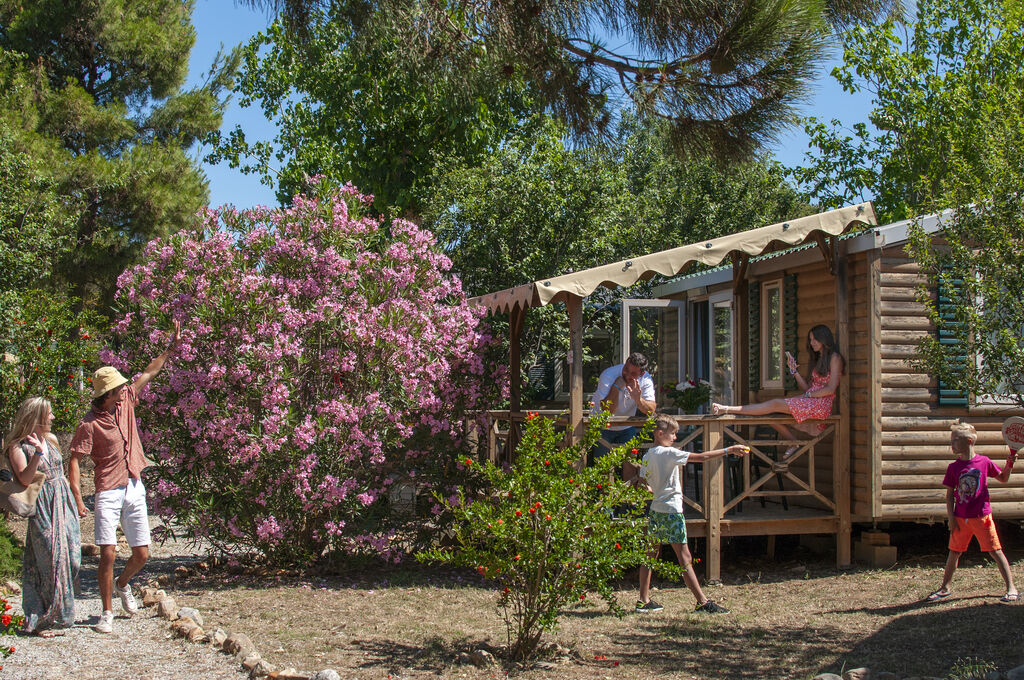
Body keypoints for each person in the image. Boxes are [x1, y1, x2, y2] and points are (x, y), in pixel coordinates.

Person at [69, 320, 181, 634]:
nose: (124, 388)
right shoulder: (89, 424)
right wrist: (78, 497)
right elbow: (74, 460)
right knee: (107, 552)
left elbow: (149, 372)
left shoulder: (127, 401)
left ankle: (123, 584)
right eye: (118, 387)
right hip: (107, 489)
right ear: (107, 394)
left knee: (141, 553)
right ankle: (106, 614)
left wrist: (170, 349)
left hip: (134, 484)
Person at [626, 415, 749, 613]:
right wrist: (728, 450)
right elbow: (702, 457)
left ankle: (643, 600)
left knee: (650, 555)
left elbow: (643, 482)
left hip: (656, 510)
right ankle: (702, 602)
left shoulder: (648, 455)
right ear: (660, 433)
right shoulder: (669, 453)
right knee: (684, 557)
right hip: (672, 511)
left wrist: (651, 488)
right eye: (672, 433)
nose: (675, 437)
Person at [3, 397, 82, 636]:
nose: (53, 417)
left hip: (62, 499)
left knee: (72, 556)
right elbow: (25, 479)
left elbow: (61, 472)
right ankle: (45, 619)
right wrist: (37, 453)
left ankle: (59, 611)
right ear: (37, 416)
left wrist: (75, 500)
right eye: (49, 414)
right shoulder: (18, 446)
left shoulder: (53, 440)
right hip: (42, 505)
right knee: (48, 560)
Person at [711, 324, 845, 458]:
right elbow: (807, 388)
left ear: (824, 338)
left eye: (815, 339)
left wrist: (809, 395)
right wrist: (794, 371)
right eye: (810, 340)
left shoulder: (835, 358)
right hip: (809, 400)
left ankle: (727, 409)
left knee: (774, 404)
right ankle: (793, 442)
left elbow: (831, 388)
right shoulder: (818, 360)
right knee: (769, 414)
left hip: (821, 405)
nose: (812, 343)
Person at [925, 421, 1018, 603]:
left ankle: (1011, 588)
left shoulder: (984, 462)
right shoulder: (953, 467)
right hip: (960, 518)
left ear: (968, 441)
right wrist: (951, 519)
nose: (951, 445)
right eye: (951, 441)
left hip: (982, 517)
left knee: (996, 551)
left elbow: (1004, 478)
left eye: (955, 441)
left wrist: (1009, 463)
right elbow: (950, 496)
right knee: (954, 552)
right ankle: (945, 588)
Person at [589, 352, 656, 464]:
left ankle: (629, 482)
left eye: (633, 373)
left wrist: (638, 399)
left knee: (630, 464)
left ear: (642, 373)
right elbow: (608, 411)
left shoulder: (646, 379)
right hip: (603, 425)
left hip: (626, 426)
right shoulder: (609, 375)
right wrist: (616, 387)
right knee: (602, 466)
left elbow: (651, 410)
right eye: (626, 369)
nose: (628, 375)